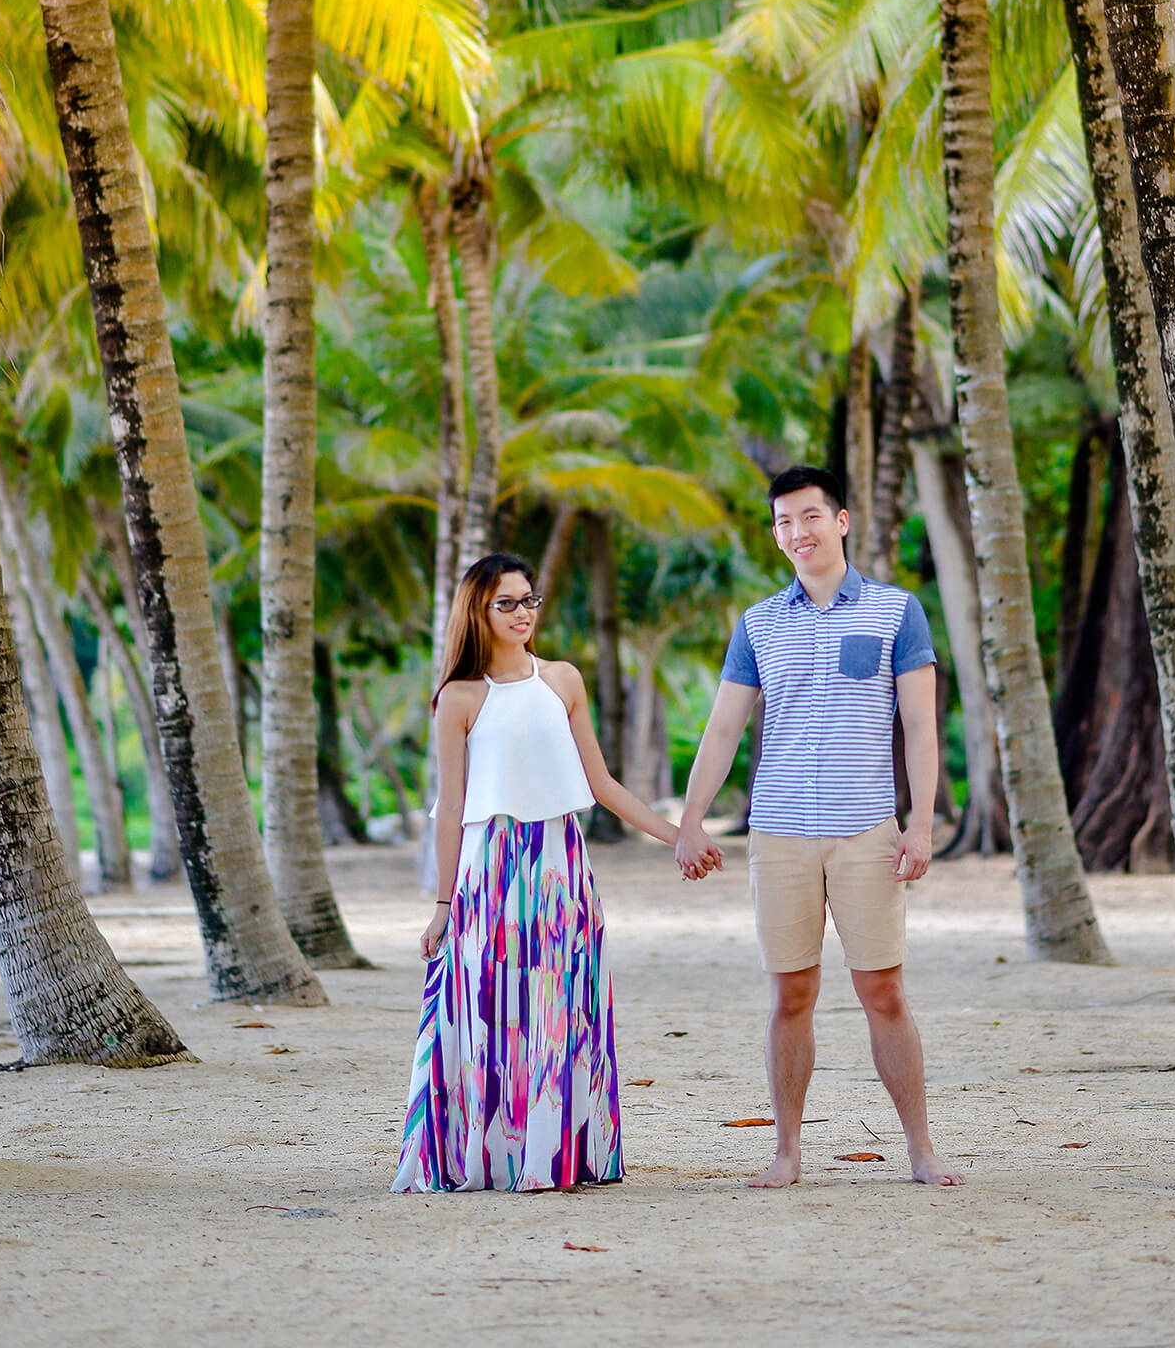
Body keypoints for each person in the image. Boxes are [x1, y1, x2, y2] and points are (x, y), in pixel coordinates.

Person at [676, 465, 964, 1190]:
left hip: (866, 831)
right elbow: (721, 732)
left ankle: (922, 1150)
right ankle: (786, 1152)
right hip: (777, 836)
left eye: (809, 517)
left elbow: (919, 728)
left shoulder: (898, 612)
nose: (796, 532)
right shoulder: (758, 624)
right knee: (790, 996)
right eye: (782, 522)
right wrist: (689, 821)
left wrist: (920, 827)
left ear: (839, 521)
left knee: (884, 993)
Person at [393, 552, 679, 1194]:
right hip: (489, 868)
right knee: (492, 1010)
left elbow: (602, 784)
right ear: (479, 612)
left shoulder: (563, 681)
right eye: (508, 604)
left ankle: (559, 1155)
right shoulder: (459, 698)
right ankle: (494, 1157)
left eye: (530, 600)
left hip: (560, 867)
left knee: (561, 1009)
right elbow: (451, 810)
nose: (523, 613)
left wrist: (679, 836)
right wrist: (442, 904)